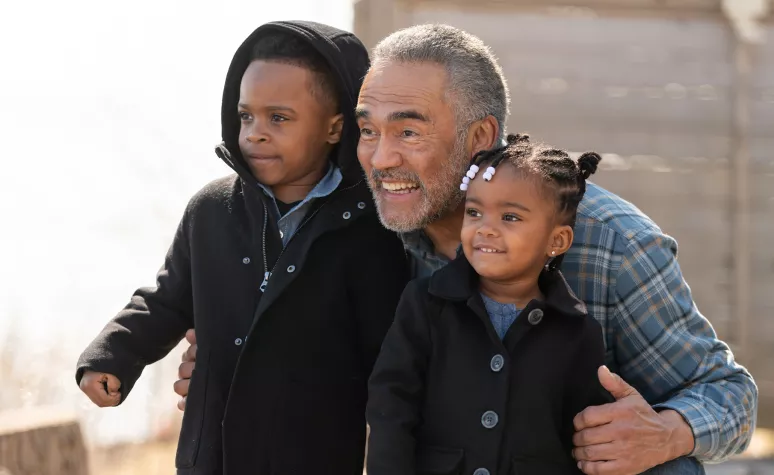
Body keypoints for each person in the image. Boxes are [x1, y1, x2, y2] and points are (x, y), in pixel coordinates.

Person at [177, 24, 758, 474]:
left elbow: (730, 395)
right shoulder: (367, 232)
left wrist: (669, 430)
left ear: (480, 138)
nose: (379, 160)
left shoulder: (611, 243)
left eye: (409, 131)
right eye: (368, 130)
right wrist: (229, 366)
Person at [75, 21, 408, 475]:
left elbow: (389, 362)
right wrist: (113, 355)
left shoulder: (372, 230)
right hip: (210, 457)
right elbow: (168, 298)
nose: (254, 133)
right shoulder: (211, 210)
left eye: (279, 118)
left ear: (334, 128)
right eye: (246, 115)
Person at [367, 133, 616, 475]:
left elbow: (586, 440)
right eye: (474, 212)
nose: (485, 229)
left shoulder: (578, 332)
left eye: (510, 217)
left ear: (557, 240)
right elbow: (391, 407)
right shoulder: (425, 304)